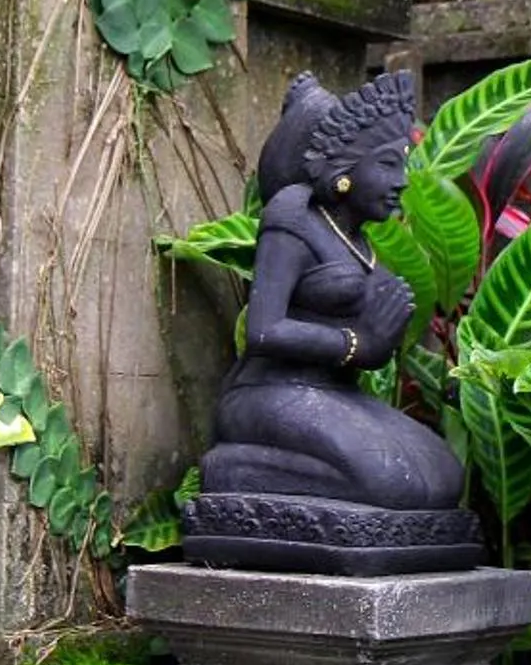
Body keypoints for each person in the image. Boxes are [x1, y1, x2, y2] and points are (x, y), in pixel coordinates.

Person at [199, 71, 466, 511]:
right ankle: (232, 470)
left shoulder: (361, 240)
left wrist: (379, 342)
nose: (401, 181)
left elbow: (370, 347)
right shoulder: (293, 218)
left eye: (402, 163)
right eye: (386, 164)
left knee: (442, 478)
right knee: (390, 484)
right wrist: (356, 343)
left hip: (336, 395)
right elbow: (263, 330)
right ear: (343, 172)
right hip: (268, 394)